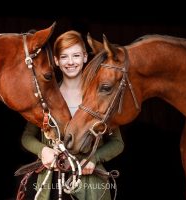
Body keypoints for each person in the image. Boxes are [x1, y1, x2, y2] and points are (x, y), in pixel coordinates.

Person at [21, 30, 124, 200]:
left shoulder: (99, 99)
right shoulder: (45, 99)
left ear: (85, 57)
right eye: (64, 57)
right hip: (50, 186)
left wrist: (94, 158)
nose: (70, 62)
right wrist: (43, 150)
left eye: (76, 55)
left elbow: (118, 143)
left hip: (92, 187)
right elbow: (27, 137)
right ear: (56, 60)